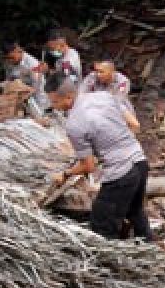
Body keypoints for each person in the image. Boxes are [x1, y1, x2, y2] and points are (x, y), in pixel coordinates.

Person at [46, 77, 151, 241]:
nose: (53, 106)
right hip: (140, 160)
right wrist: (116, 145)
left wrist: (65, 174)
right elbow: (134, 124)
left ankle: (115, 264)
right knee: (134, 210)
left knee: (101, 226)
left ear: (68, 97)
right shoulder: (103, 96)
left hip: (120, 174)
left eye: (55, 101)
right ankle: (149, 249)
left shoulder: (74, 124)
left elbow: (88, 166)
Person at [2, 41, 48, 115]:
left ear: (19, 51)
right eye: (7, 58)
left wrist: (27, 94)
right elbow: (8, 79)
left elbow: (39, 86)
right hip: (18, 94)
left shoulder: (32, 64)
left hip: (36, 96)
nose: (9, 60)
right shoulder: (8, 62)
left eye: (11, 58)